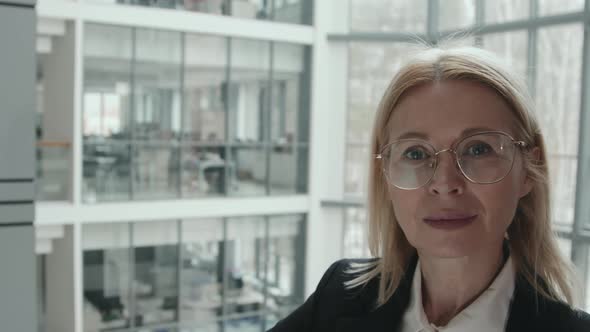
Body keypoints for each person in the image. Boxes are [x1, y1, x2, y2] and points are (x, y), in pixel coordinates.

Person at [267, 46, 590, 332]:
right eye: (416, 153)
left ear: (528, 172)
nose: (445, 184)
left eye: (478, 149)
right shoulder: (339, 295)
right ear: (385, 174)